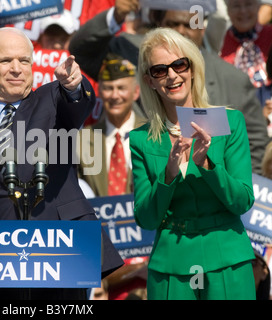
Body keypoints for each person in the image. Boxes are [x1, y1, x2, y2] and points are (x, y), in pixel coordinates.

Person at [0, 27, 123, 300]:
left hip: (60, 255)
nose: (17, 69)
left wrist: (74, 85)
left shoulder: (54, 98)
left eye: (24, 61)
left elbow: (78, 102)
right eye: (6, 61)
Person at [69, 0, 270, 175]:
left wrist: (237, 192)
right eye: (173, 24)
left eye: (188, 24)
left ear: (201, 26)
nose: (181, 31)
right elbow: (82, 51)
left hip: (213, 198)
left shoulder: (233, 79)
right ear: (159, 25)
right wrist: (116, 15)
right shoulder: (133, 55)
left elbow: (255, 147)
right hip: (147, 188)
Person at [130, 27, 256, 300]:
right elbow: (146, 218)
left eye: (179, 64)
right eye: (160, 70)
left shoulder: (230, 122)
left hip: (227, 259)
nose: (172, 75)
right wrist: (169, 174)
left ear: (192, 68)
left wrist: (208, 167)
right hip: (171, 264)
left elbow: (242, 201)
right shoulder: (140, 140)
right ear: (149, 80)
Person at [78, 53, 145, 197]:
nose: (115, 96)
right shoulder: (82, 140)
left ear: (136, 92)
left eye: (121, 88)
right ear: (100, 92)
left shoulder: (154, 133)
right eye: (109, 88)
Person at [220, 0, 272, 106]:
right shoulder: (219, 41)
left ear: (258, 7)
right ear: (228, 11)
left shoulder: (270, 35)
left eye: (248, 4)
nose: (243, 11)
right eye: (236, 6)